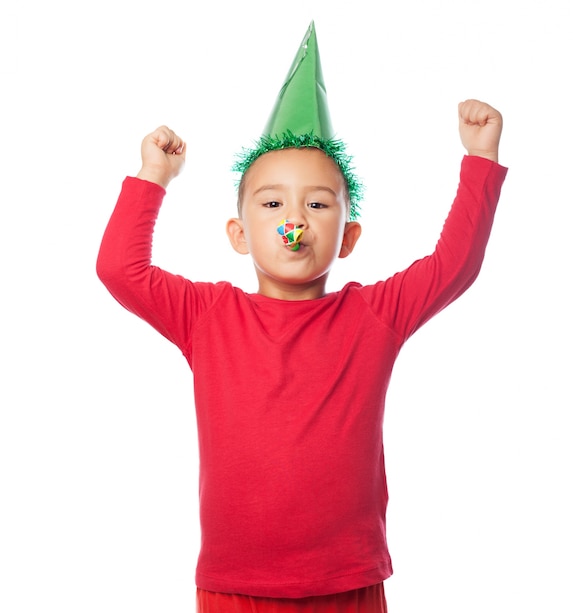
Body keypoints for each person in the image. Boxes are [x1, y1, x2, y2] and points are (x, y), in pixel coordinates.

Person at [96, 21, 506, 613]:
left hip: (347, 581)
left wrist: (481, 159)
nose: (297, 218)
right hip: (235, 585)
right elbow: (120, 271)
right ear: (239, 234)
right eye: (272, 203)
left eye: (318, 203)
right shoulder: (208, 316)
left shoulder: (373, 315)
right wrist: (153, 177)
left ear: (347, 237)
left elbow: (454, 265)